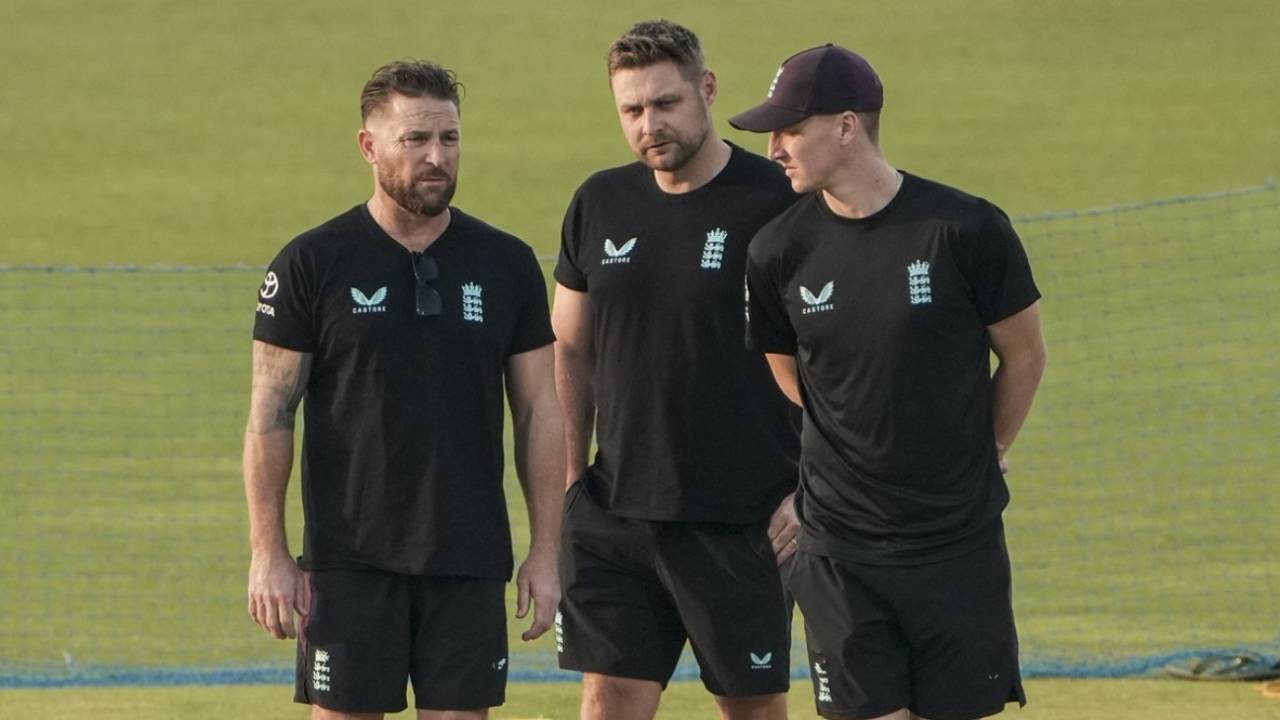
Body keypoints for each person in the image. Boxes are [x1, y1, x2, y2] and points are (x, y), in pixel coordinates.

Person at [730, 44, 1048, 720]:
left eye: (790, 130)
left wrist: (987, 445)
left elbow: (1025, 357)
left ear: (847, 126)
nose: (774, 150)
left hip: (956, 543)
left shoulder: (966, 228)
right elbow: (791, 375)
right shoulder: (777, 251)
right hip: (839, 549)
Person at [243, 60, 565, 719]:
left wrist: (546, 551)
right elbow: (270, 415)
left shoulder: (506, 263)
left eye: (449, 138)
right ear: (369, 146)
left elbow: (539, 411)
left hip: (469, 556)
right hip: (349, 561)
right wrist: (267, 551)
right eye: (415, 139)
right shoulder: (311, 264)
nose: (436, 157)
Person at [552, 20, 802, 720]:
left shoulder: (778, 201)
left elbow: (837, 355)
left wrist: (810, 488)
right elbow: (569, 348)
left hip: (745, 520)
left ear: (707, 89)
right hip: (614, 515)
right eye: (631, 110)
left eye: (666, 103)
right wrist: (571, 484)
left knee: (752, 709)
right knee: (605, 704)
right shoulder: (599, 202)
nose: (649, 125)